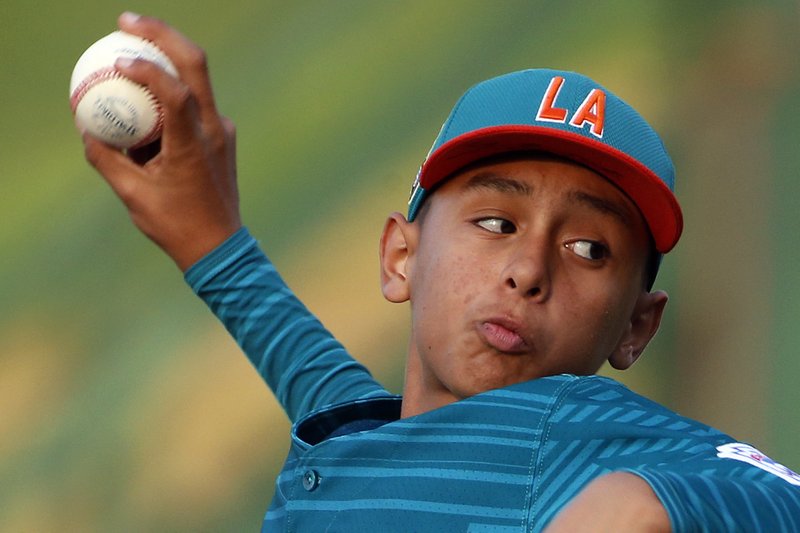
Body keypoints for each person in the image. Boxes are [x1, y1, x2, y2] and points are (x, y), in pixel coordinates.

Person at [82, 13, 800, 532]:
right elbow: (333, 397)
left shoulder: (587, 430)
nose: (527, 269)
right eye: (496, 223)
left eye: (589, 250)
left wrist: (653, 499)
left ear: (637, 324)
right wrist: (212, 239)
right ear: (401, 257)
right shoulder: (367, 432)